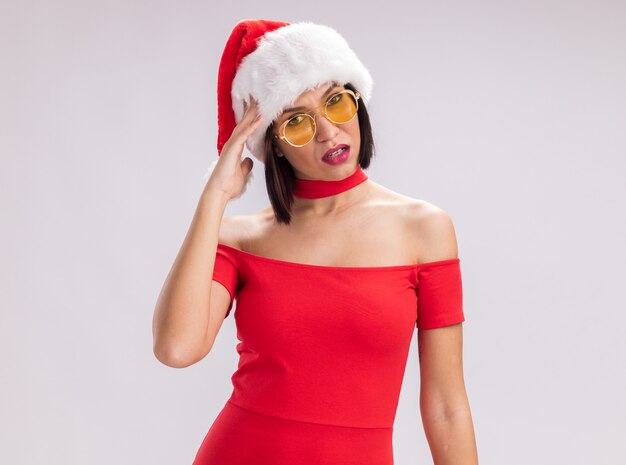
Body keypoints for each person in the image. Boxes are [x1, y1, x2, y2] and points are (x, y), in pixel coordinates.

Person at [152, 19, 478, 465]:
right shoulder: (241, 238)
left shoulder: (423, 229)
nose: (328, 132)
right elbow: (176, 348)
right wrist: (215, 196)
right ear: (276, 146)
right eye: (298, 122)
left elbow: (446, 406)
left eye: (336, 103)